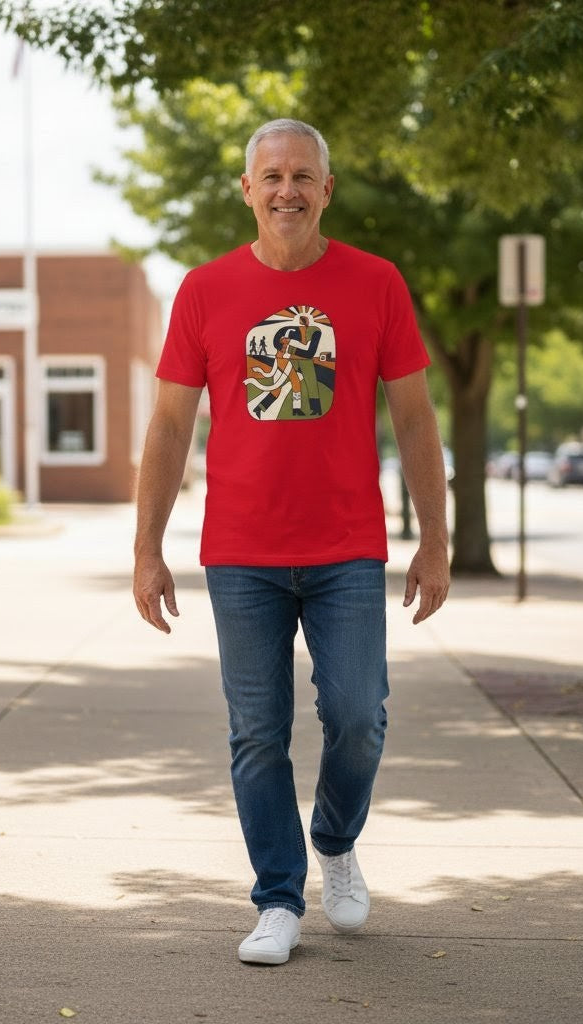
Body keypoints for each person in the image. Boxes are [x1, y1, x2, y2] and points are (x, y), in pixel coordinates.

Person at [133, 118, 449, 966]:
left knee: (358, 718)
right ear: (247, 191)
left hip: (348, 546)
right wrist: (146, 548)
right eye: (271, 176)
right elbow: (169, 425)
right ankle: (278, 899)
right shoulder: (203, 291)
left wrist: (436, 540)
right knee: (256, 732)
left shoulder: (377, 283)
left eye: (303, 175)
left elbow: (414, 415)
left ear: (326, 189)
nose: (287, 190)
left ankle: (335, 843)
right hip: (241, 552)